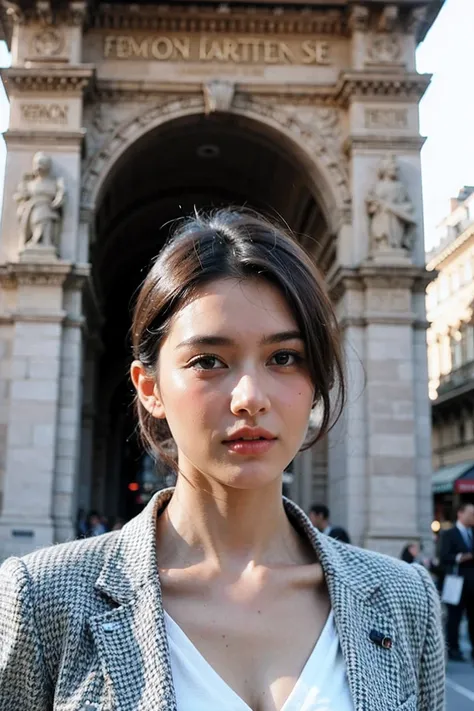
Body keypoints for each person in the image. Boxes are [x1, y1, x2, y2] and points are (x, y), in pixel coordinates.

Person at [0, 208, 445, 710]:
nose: (250, 397)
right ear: (150, 388)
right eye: (208, 361)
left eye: (285, 357)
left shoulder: (405, 598)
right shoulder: (41, 599)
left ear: (316, 379)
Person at [439, 502, 474, 662]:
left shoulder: (472, 533)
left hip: (472, 584)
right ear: (460, 514)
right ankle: (453, 649)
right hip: (456, 583)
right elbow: (444, 557)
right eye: (471, 513)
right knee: (454, 618)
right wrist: (461, 557)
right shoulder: (449, 534)